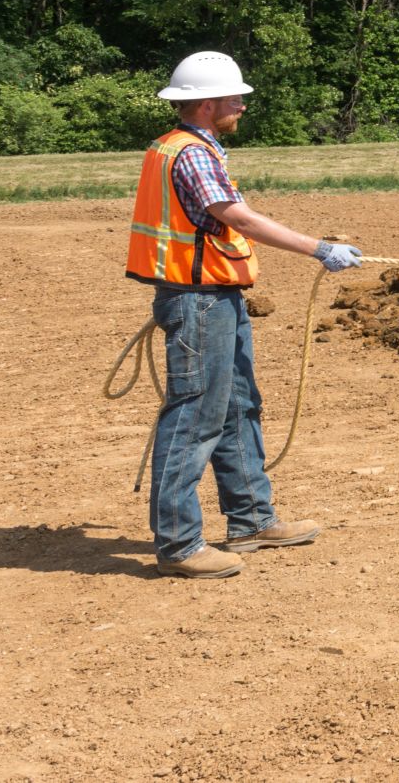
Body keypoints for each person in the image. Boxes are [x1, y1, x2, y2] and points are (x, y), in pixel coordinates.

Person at [127, 51, 363, 579]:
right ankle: (180, 544)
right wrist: (318, 247)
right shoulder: (191, 155)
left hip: (213, 295)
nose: (242, 107)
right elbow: (238, 219)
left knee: (236, 406)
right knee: (194, 416)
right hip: (197, 300)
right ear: (208, 105)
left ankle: (252, 519)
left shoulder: (184, 147)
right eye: (237, 99)